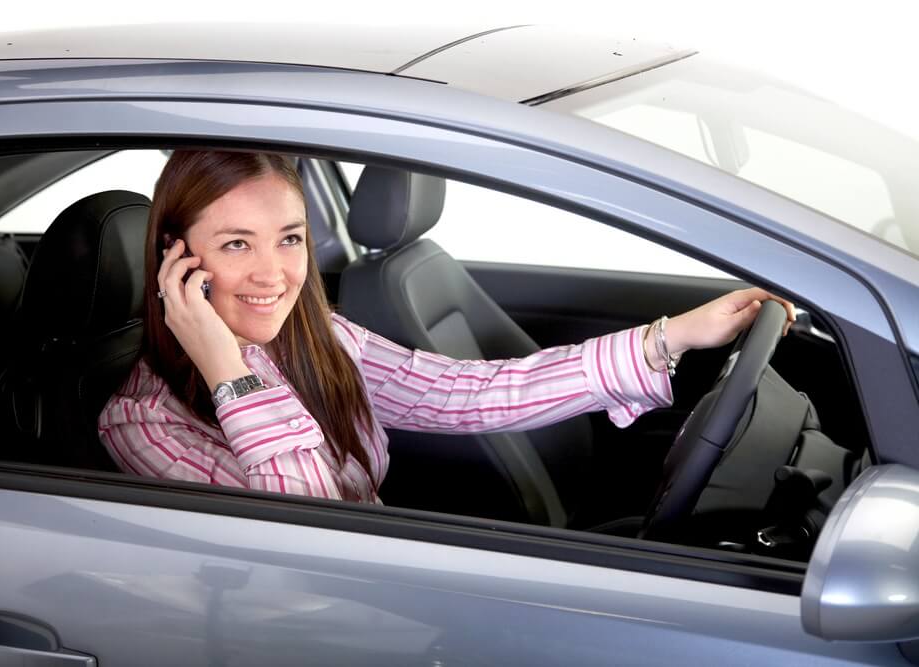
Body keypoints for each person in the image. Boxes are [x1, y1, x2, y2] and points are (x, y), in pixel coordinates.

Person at [98, 150, 796, 503]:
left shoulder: (317, 336)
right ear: (176, 259)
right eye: (235, 245)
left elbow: (466, 393)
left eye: (289, 238)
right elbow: (312, 538)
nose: (275, 275)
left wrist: (670, 336)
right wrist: (228, 371)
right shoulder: (142, 424)